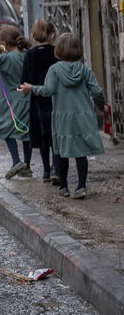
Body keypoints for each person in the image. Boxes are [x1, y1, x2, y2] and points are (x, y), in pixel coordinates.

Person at [18, 32, 105, 199]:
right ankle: (81, 186)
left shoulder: (55, 70)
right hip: (83, 116)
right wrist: (102, 106)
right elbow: (96, 90)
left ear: (58, 50)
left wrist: (32, 88)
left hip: (61, 117)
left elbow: (48, 90)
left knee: (61, 153)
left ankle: (64, 187)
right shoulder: (84, 70)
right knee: (81, 153)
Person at [0, 24, 31, 178]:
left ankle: (16, 160)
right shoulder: (27, 55)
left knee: (5, 129)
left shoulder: (6, 59)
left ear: (4, 43)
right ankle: (26, 165)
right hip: (26, 99)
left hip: (9, 103)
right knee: (25, 133)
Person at [22, 19, 60, 184]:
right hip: (56, 99)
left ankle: (45, 169)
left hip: (36, 99)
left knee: (42, 136)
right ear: (52, 35)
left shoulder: (30, 54)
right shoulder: (56, 52)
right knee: (56, 134)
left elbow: (24, 79)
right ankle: (56, 168)